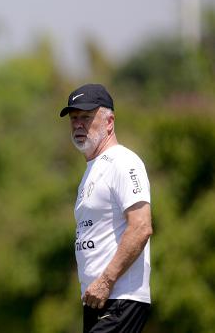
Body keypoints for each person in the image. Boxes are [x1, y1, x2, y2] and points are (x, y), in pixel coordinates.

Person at [60, 83, 153, 333]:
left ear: (109, 122)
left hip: (121, 298)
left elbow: (141, 226)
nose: (78, 124)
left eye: (87, 117)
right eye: (74, 118)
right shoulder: (92, 169)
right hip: (95, 299)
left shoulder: (124, 162)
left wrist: (105, 280)